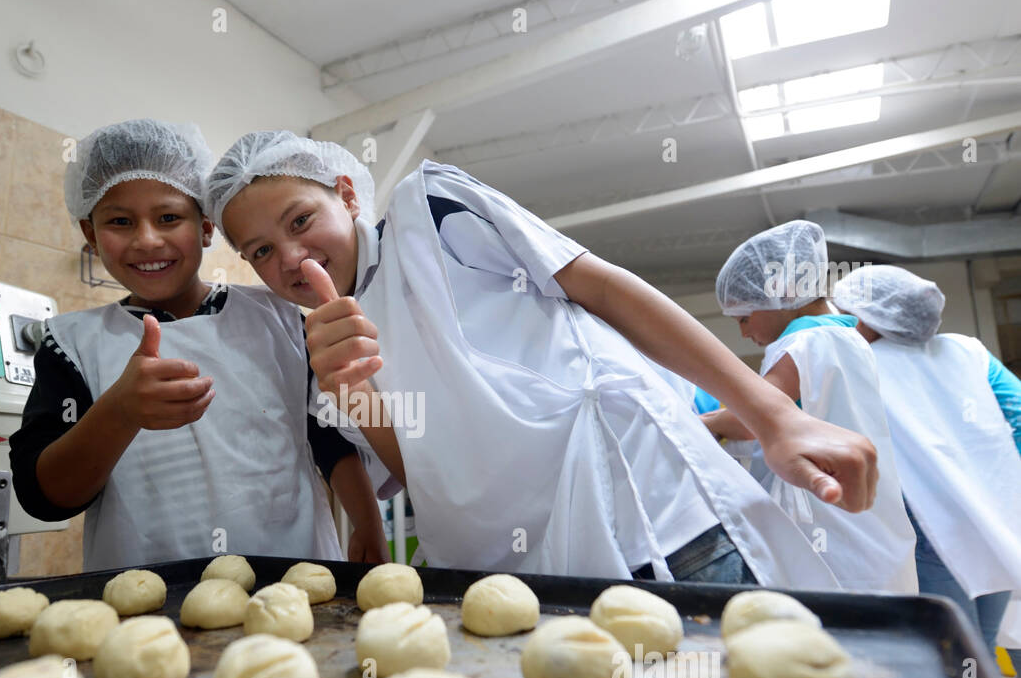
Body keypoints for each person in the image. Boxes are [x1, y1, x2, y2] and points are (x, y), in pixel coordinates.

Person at [203, 131, 883, 588]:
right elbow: (424, 472)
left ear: (347, 196)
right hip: (516, 573)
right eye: (260, 250)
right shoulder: (321, 343)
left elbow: (601, 285)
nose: (289, 257)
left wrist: (769, 416)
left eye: (299, 221)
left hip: (649, 515)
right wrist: (353, 393)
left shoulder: (428, 215)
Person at [9, 120, 387, 572]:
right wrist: (119, 413)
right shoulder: (71, 343)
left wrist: (367, 522)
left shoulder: (280, 318)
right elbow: (43, 498)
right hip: (149, 601)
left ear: (206, 228)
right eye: (119, 222)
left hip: (295, 581)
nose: (147, 239)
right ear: (91, 235)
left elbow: (328, 438)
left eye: (169, 217)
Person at [704, 221, 917, 594]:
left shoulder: (805, 341)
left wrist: (702, 422)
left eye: (744, 317)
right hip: (868, 521)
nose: (743, 333)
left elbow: (754, 417)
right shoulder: (848, 338)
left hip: (831, 522)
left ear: (781, 291)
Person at [832, 264, 1021, 667]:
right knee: (984, 640)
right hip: (994, 517)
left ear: (867, 316)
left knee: (957, 649)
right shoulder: (969, 351)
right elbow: (1018, 416)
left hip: (933, 527)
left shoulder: (858, 363)